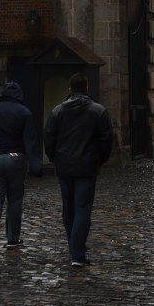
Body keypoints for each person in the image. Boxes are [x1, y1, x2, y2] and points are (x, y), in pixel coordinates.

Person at [44, 73, 113, 267]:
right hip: (87, 166)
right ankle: (77, 254)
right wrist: (101, 160)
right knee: (82, 209)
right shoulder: (98, 111)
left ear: (69, 90)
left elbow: (48, 137)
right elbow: (106, 140)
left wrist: (54, 158)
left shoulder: (57, 111)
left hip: (64, 167)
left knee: (69, 209)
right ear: (87, 88)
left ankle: (73, 248)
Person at [0, 81, 43, 252]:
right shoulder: (24, 112)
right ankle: (13, 238)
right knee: (15, 199)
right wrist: (37, 165)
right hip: (15, 158)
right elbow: (30, 141)